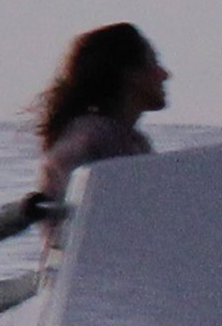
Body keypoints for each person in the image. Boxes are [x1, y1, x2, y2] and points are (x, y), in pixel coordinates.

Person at [31, 21, 169, 197]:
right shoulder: (91, 138)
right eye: (153, 63)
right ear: (130, 74)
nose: (165, 75)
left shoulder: (135, 142)